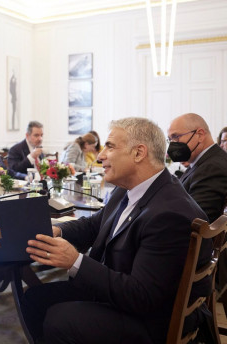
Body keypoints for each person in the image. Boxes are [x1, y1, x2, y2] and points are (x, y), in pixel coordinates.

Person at [22, 117, 211, 344]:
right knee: (34, 299)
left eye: (110, 147)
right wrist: (56, 230)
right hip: (125, 291)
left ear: (138, 153)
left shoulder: (168, 215)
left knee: (58, 319)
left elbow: (142, 296)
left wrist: (75, 261)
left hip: (153, 320)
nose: (100, 156)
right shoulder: (129, 188)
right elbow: (94, 225)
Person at [167, 113, 227, 223]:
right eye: (170, 139)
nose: (172, 144)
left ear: (200, 135)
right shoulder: (201, 162)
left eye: (176, 137)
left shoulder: (212, 167)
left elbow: (195, 220)